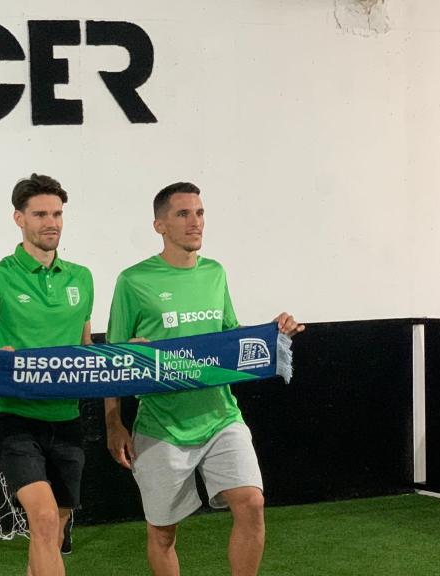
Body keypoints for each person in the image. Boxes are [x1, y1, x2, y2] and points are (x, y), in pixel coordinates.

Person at [104, 182, 304, 576]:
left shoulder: (215, 273)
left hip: (220, 416)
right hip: (162, 425)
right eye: (183, 214)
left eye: (199, 213)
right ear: (160, 225)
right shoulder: (133, 281)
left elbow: (231, 335)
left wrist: (275, 332)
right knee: (163, 535)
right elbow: (114, 360)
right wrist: (113, 422)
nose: (195, 222)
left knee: (251, 503)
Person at [0, 173, 93, 576]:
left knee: (54, 531)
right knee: (43, 520)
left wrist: (128, 354)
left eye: (56, 213)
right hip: (15, 418)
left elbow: (85, 350)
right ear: (18, 218)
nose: (50, 222)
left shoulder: (81, 277)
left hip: (67, 419)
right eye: (40, 214)